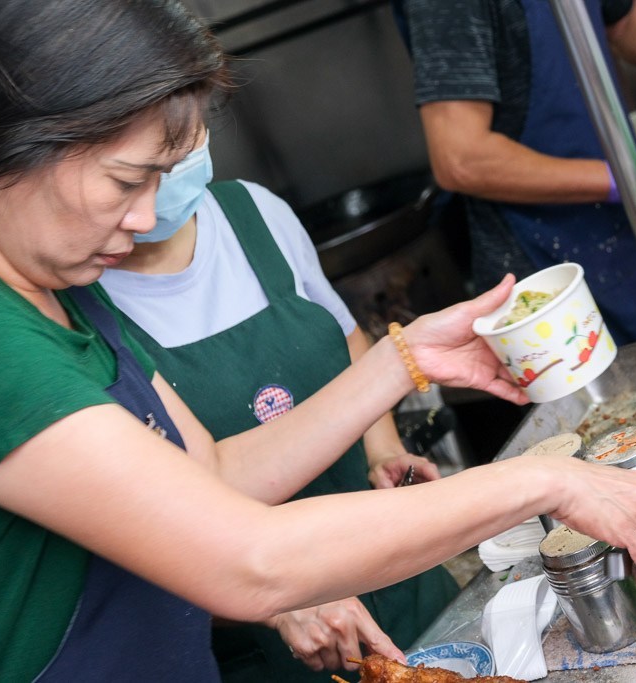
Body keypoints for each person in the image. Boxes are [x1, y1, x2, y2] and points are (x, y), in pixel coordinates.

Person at [0, 2, 636, 681]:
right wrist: (544, 480)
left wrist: (405, 360)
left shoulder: (61, 291)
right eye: (123, 182)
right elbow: (248, 559)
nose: (145, 219)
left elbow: (217, 473)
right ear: (4, 150)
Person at [98, 126, 458, 680]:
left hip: (396, 570)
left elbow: (346, 341)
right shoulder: (80, 305)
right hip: (273, 645)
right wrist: (272, 600)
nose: (169, 169)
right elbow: (150, 530)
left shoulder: (255, 212)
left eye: (186, 134)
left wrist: (381, 449)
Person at [393, 0, 636, 345]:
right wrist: (621, 178)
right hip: (544, 272)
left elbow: (619, 21)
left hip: (624, 238)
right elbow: (461, 158)